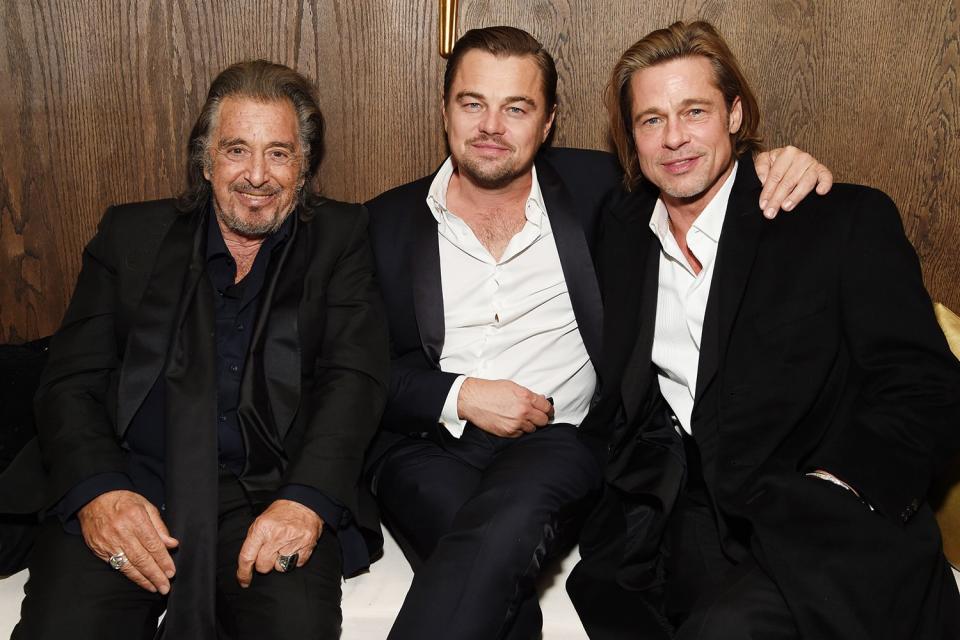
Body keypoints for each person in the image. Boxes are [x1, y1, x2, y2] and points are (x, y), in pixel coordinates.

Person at [362, 25, 832, 640]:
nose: (491, 126)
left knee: (509, 519)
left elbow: (700, 170)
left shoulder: (604, 192)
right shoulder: (379, 223)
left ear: (549, 120)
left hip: (557, 441)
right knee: (486, 563)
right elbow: (354, 371)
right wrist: (459, 394)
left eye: (517, 108)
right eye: (472, 103)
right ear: (444, 110)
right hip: (426, 446)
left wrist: (772, 162)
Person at [568, 20, 960, 639]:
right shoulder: (621, 230)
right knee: (605, 597)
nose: (673, 138)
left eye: (694, 110)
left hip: (816, 522)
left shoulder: (836, 221)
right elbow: (514, 159)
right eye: (650, 120)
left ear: (735, 114)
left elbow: (928, 387)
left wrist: (842, 483)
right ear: (630, 139)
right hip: (686, 514)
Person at [5, 60, 389, 639]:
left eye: (279, 153)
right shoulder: (129, 236)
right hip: (134, 485)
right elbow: (69, 381)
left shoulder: (341, 237)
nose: (256, 175)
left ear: (305, 167)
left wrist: (305, 502)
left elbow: (354, 381)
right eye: (236, 149)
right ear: (205, 160)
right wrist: (100, 492)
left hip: (268, 496)